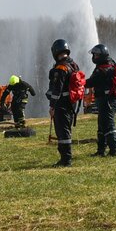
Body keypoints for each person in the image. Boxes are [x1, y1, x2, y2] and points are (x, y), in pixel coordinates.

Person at [46, 39, 81, 167]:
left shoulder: (61, 68)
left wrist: (52, 105)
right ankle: (66, 158)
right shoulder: (73, 65)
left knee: (63, 131)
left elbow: (57, 89)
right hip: (71, 103)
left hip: (62, 104)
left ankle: (66, 160)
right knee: (66, 129)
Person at [86, 44, 116, 156]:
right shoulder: (110, 63)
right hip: (108, 99)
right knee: (102, 125)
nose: (94, 57)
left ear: (101, 55)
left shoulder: (103, 69)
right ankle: (101, 150)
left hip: (108, 100)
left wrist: (79, 81)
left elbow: (91, 82)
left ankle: (114, 150)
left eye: (95, 55)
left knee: (108, 125)